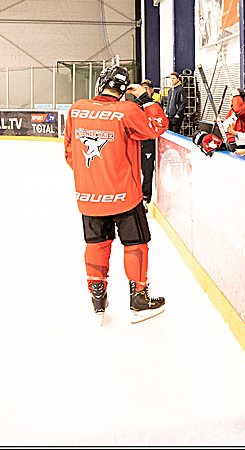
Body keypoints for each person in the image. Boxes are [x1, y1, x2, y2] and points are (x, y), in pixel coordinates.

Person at [63, 64, 169, 323]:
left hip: (89, 197)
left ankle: (98, 299)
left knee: (96, 245)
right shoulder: (127, 111)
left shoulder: (77, 108)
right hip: (125, 196)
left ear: (100, 83)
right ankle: (139, 298)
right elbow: (158, 126)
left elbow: (70, 153)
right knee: (136, 244)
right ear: (124, 90)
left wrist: (93, 177)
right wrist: (145, 98)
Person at [137, 80, 160, 203]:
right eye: (142, 88)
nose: (144, 91)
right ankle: (135, 195)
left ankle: (146, 197)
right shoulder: (134, 105)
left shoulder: (155, 105)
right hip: (136, 143)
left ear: (151, 90)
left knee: (147, 170)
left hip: (148, 143)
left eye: (146, 88)